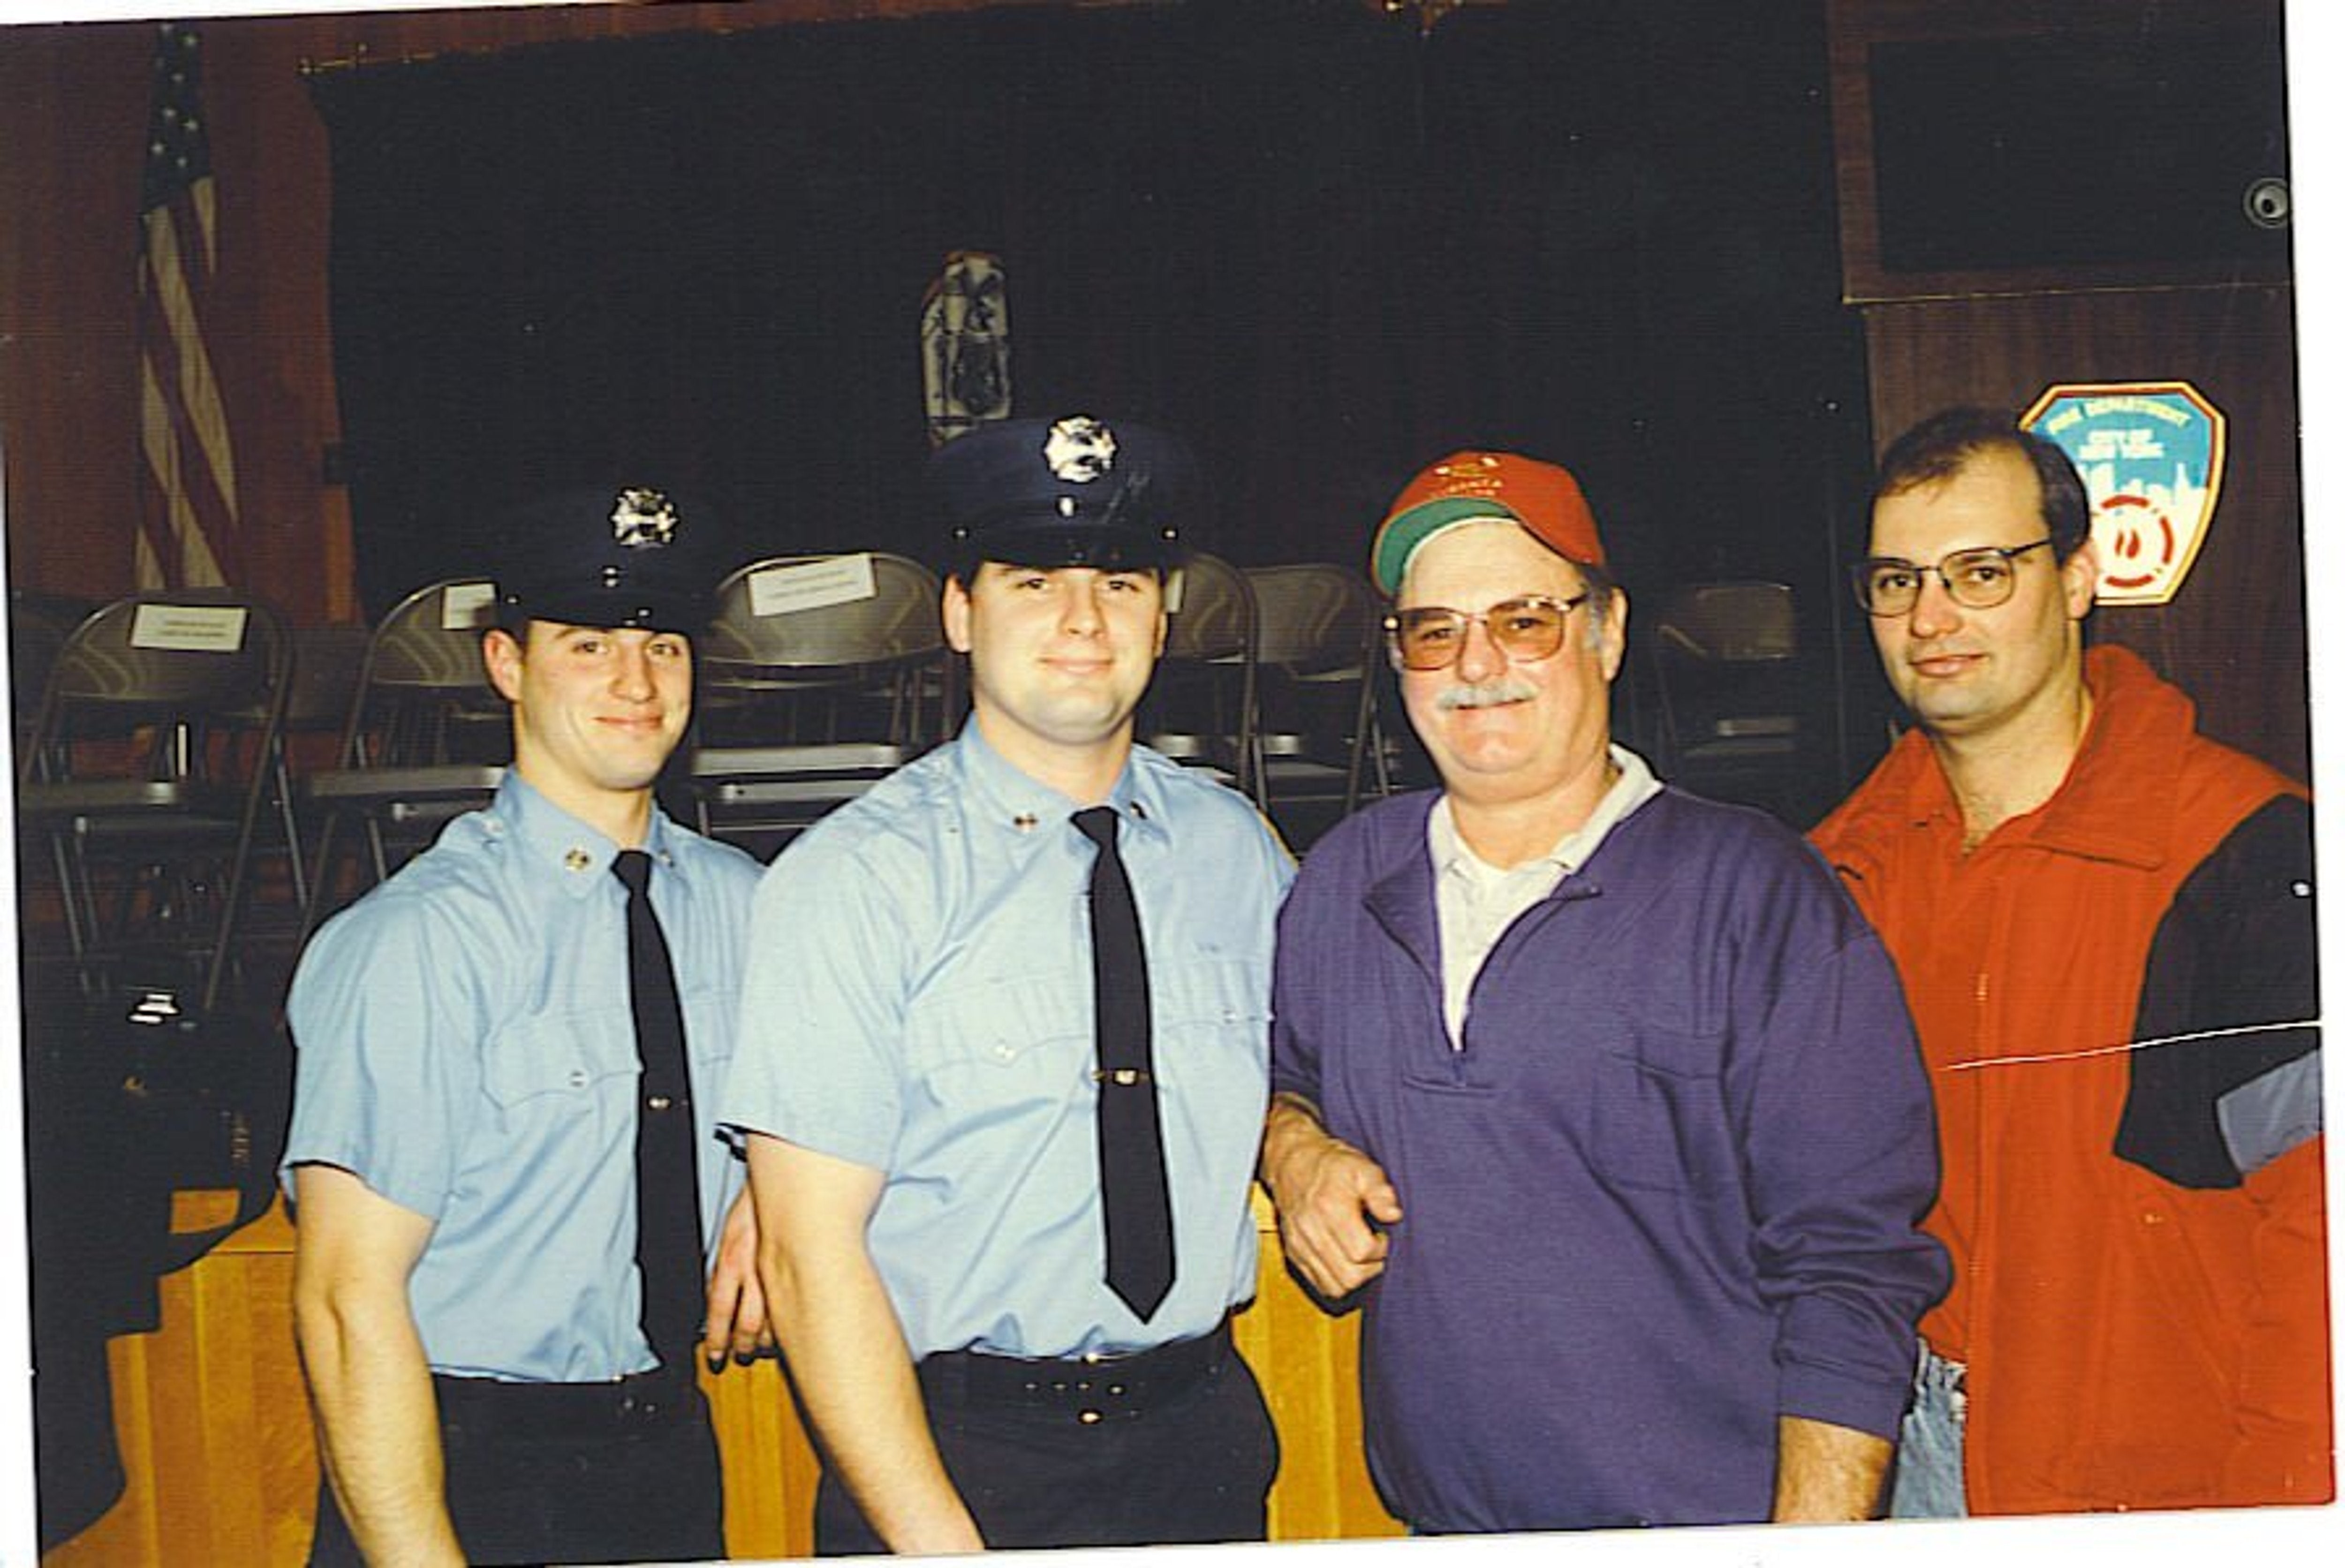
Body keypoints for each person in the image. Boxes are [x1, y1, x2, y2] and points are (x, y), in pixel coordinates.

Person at [1259, 448, 1949, 1532]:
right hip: (1437, 1532)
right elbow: (1281, 1070)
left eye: (1524, 618)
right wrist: (1293, 1148)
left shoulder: (1758, 894)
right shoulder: (1343, 879)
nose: (1477, 663)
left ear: (1608, 630)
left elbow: (1850, 1267)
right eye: (1435, 629)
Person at [720, 414, 1293, 1554]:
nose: (1083, 620)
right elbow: (810, 1254)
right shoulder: (855, 878)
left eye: (1120, 581)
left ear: (1162, 616)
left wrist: (1301, 1139)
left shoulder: (1243, 855)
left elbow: (1303, 1077)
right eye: (1034, 581)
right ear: (958, 612)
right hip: (958, 1462)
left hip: (1202, 1440)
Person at [1809, 407, 2329, 1516]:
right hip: (1904, 1460)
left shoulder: (2244, 852)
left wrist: (2288, 1515)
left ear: (2080, 577)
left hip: (2159, 1479)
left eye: (1981, 571)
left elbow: (2320, 1247)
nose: (1932, 617)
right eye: (1897, 581)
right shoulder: (1838, 874)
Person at [281, 485, 768, 1566]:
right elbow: (346, 1306)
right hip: (463, 1468)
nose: (635, 682)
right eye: (588, 644)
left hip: (668, 1452)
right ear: (507, 663)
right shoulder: (418, 943)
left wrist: (772, 1193)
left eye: (663, 645)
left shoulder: (749, 908)